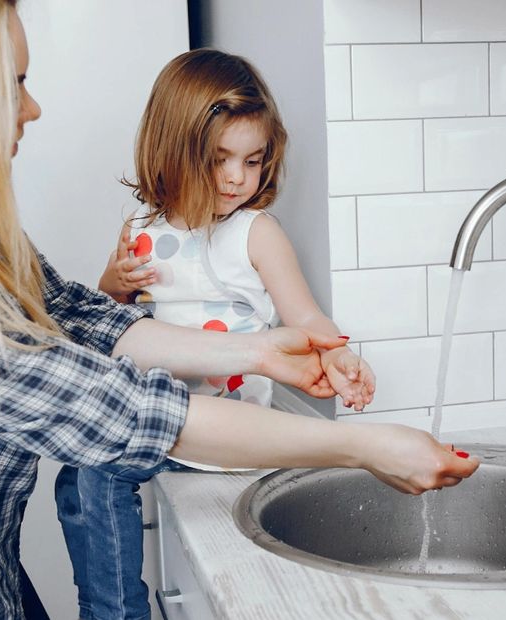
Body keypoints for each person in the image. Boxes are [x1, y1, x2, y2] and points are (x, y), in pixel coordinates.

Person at [0, 1, 479, 618]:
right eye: (14, 83)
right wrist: (363, 444)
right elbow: (121, 412)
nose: (32, 106)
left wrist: (257, 351)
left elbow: (82, 318)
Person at [55, 49, 380, 620]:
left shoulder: (256, 233)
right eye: (220, 158)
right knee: (72, 476)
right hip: (160, 422)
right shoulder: (140, 230)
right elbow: (110, 326)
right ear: (173, 148)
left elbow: (304, 317)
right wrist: (114, 285)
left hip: (229, 431)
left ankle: (112, 614)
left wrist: (340, 356)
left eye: (253, 161)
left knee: (95, 468)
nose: (237, 178)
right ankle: (110, 605)